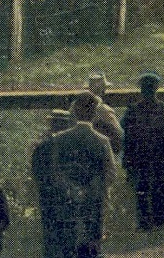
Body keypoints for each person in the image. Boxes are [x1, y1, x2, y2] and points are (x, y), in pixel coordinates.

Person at [53, 92, 116, 258]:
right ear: (95, 114)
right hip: (95, 201)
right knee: (92, 244)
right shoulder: (102, 141)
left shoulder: (60, 139)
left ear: (74, 112)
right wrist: (95, 189)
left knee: (68, 243)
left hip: (67, 200)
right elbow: (111, 172)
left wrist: (69, 188)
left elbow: (54, 170)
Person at [122, 72, 164, 230]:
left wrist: (127, 161)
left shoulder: (132, 110)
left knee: (142, 188)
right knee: (161, 186)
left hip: (140, 157)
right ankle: (160, 220)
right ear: (156, 89)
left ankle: (144, 221)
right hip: (162, 157)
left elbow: (126, 135)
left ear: (141, 90)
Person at [32, 109, 77, 258]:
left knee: (51, 239)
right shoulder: (74, 146)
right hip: (71, 199)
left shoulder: (43, 146)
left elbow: (37, 174)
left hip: (49, 200)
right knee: (70, 239)